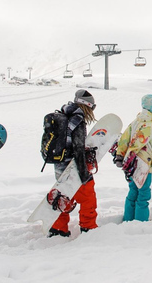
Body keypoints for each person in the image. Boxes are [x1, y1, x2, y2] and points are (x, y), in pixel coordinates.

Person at [48, 89, 98, 237]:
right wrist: (84, 174)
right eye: (92, 107)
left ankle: (58, 228)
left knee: (64, 197)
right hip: (73, 168)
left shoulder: (63, 114)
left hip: (59, 166)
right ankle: (88, 227)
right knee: (88, 198)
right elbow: (77, 148)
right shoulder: (77, 119)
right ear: (87, 106)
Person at [113, 94, 152, 222]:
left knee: (133, 192)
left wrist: (121, 154)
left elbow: (124, 138)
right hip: (142, 164)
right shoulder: (148, 123)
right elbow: (138, 141)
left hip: (131, 163)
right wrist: (131, 154)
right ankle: (140, 222)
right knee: (143, 194)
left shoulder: (137, 121)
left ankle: (129, 219)